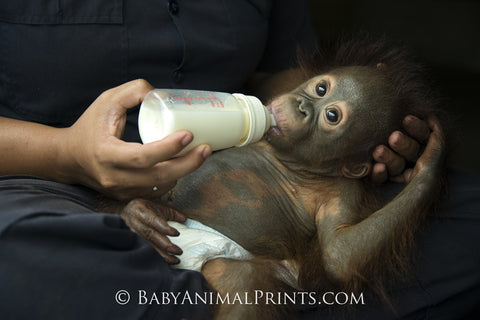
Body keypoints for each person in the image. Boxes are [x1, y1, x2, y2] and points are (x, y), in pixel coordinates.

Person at [0, 1, 477, 319]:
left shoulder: (335, 185)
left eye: (332, 114)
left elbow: (342, 257)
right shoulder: (249, 139)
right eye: (320, 89)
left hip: (237, 265)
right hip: (48, 179)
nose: (306, 103)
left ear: (350, 164)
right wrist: (67, 155)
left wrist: (420, 179)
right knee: (21, 253)